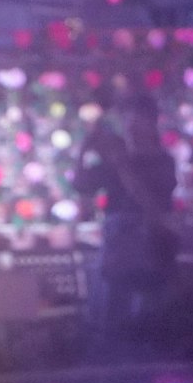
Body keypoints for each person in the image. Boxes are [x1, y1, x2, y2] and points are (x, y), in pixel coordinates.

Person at [75, 91, 179, 328]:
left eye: (137, 119)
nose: (131, 126)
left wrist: (121, 164)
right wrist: (84, 151)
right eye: (127, 119)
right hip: (117, 246)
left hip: (150, 246)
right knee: (112, 309)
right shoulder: (116, 157)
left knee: (146, 313)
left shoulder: (161, 161)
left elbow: (151, 201)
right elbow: (82, 185)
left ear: (151, 123)